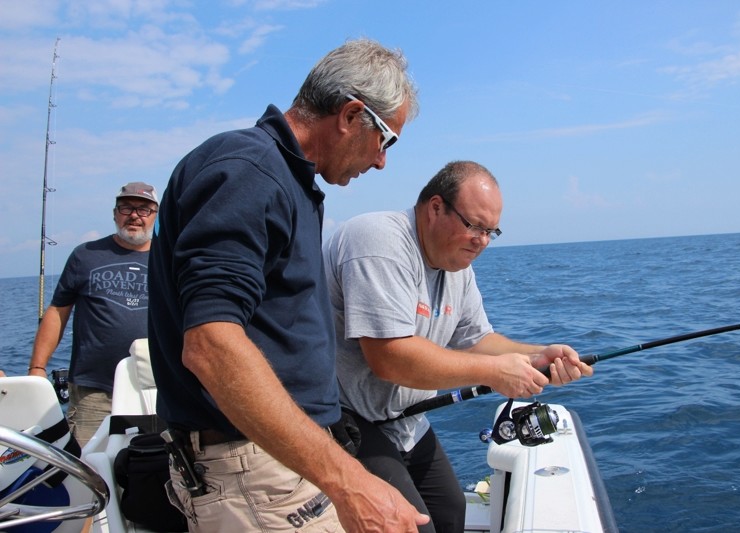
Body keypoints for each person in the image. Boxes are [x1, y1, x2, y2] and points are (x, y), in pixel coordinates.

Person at [148, 38, 429, 532]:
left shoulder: (284, 180)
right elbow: (212, 345)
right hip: (254, 474)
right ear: (349, 115)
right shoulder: (249, 172)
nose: (383, 161)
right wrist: (348, 481)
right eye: (386, 139)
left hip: (282, 462)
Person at [322, 160, 594, 532]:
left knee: (451, 511)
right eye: (474, 226)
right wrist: (494, 373)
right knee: (411, 525)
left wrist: (537, 356)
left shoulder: (457, 270)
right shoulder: (377, 240)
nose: (482, 241)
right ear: (436, 208)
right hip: (343, 418)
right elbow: (389, 359)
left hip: (405, 421)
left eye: (491, 232)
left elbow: (477, 340)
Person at [28, 181, 159, 446]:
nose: (135, 215)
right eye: (126, 207)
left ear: (155, 216)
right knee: (88, 471)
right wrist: (37, 367)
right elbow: (57, 312)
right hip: (93, 391)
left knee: (157, 469)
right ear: (114, 213)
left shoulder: (170, 259)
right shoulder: (85, 255)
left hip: (156, 388)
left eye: (144, 209)